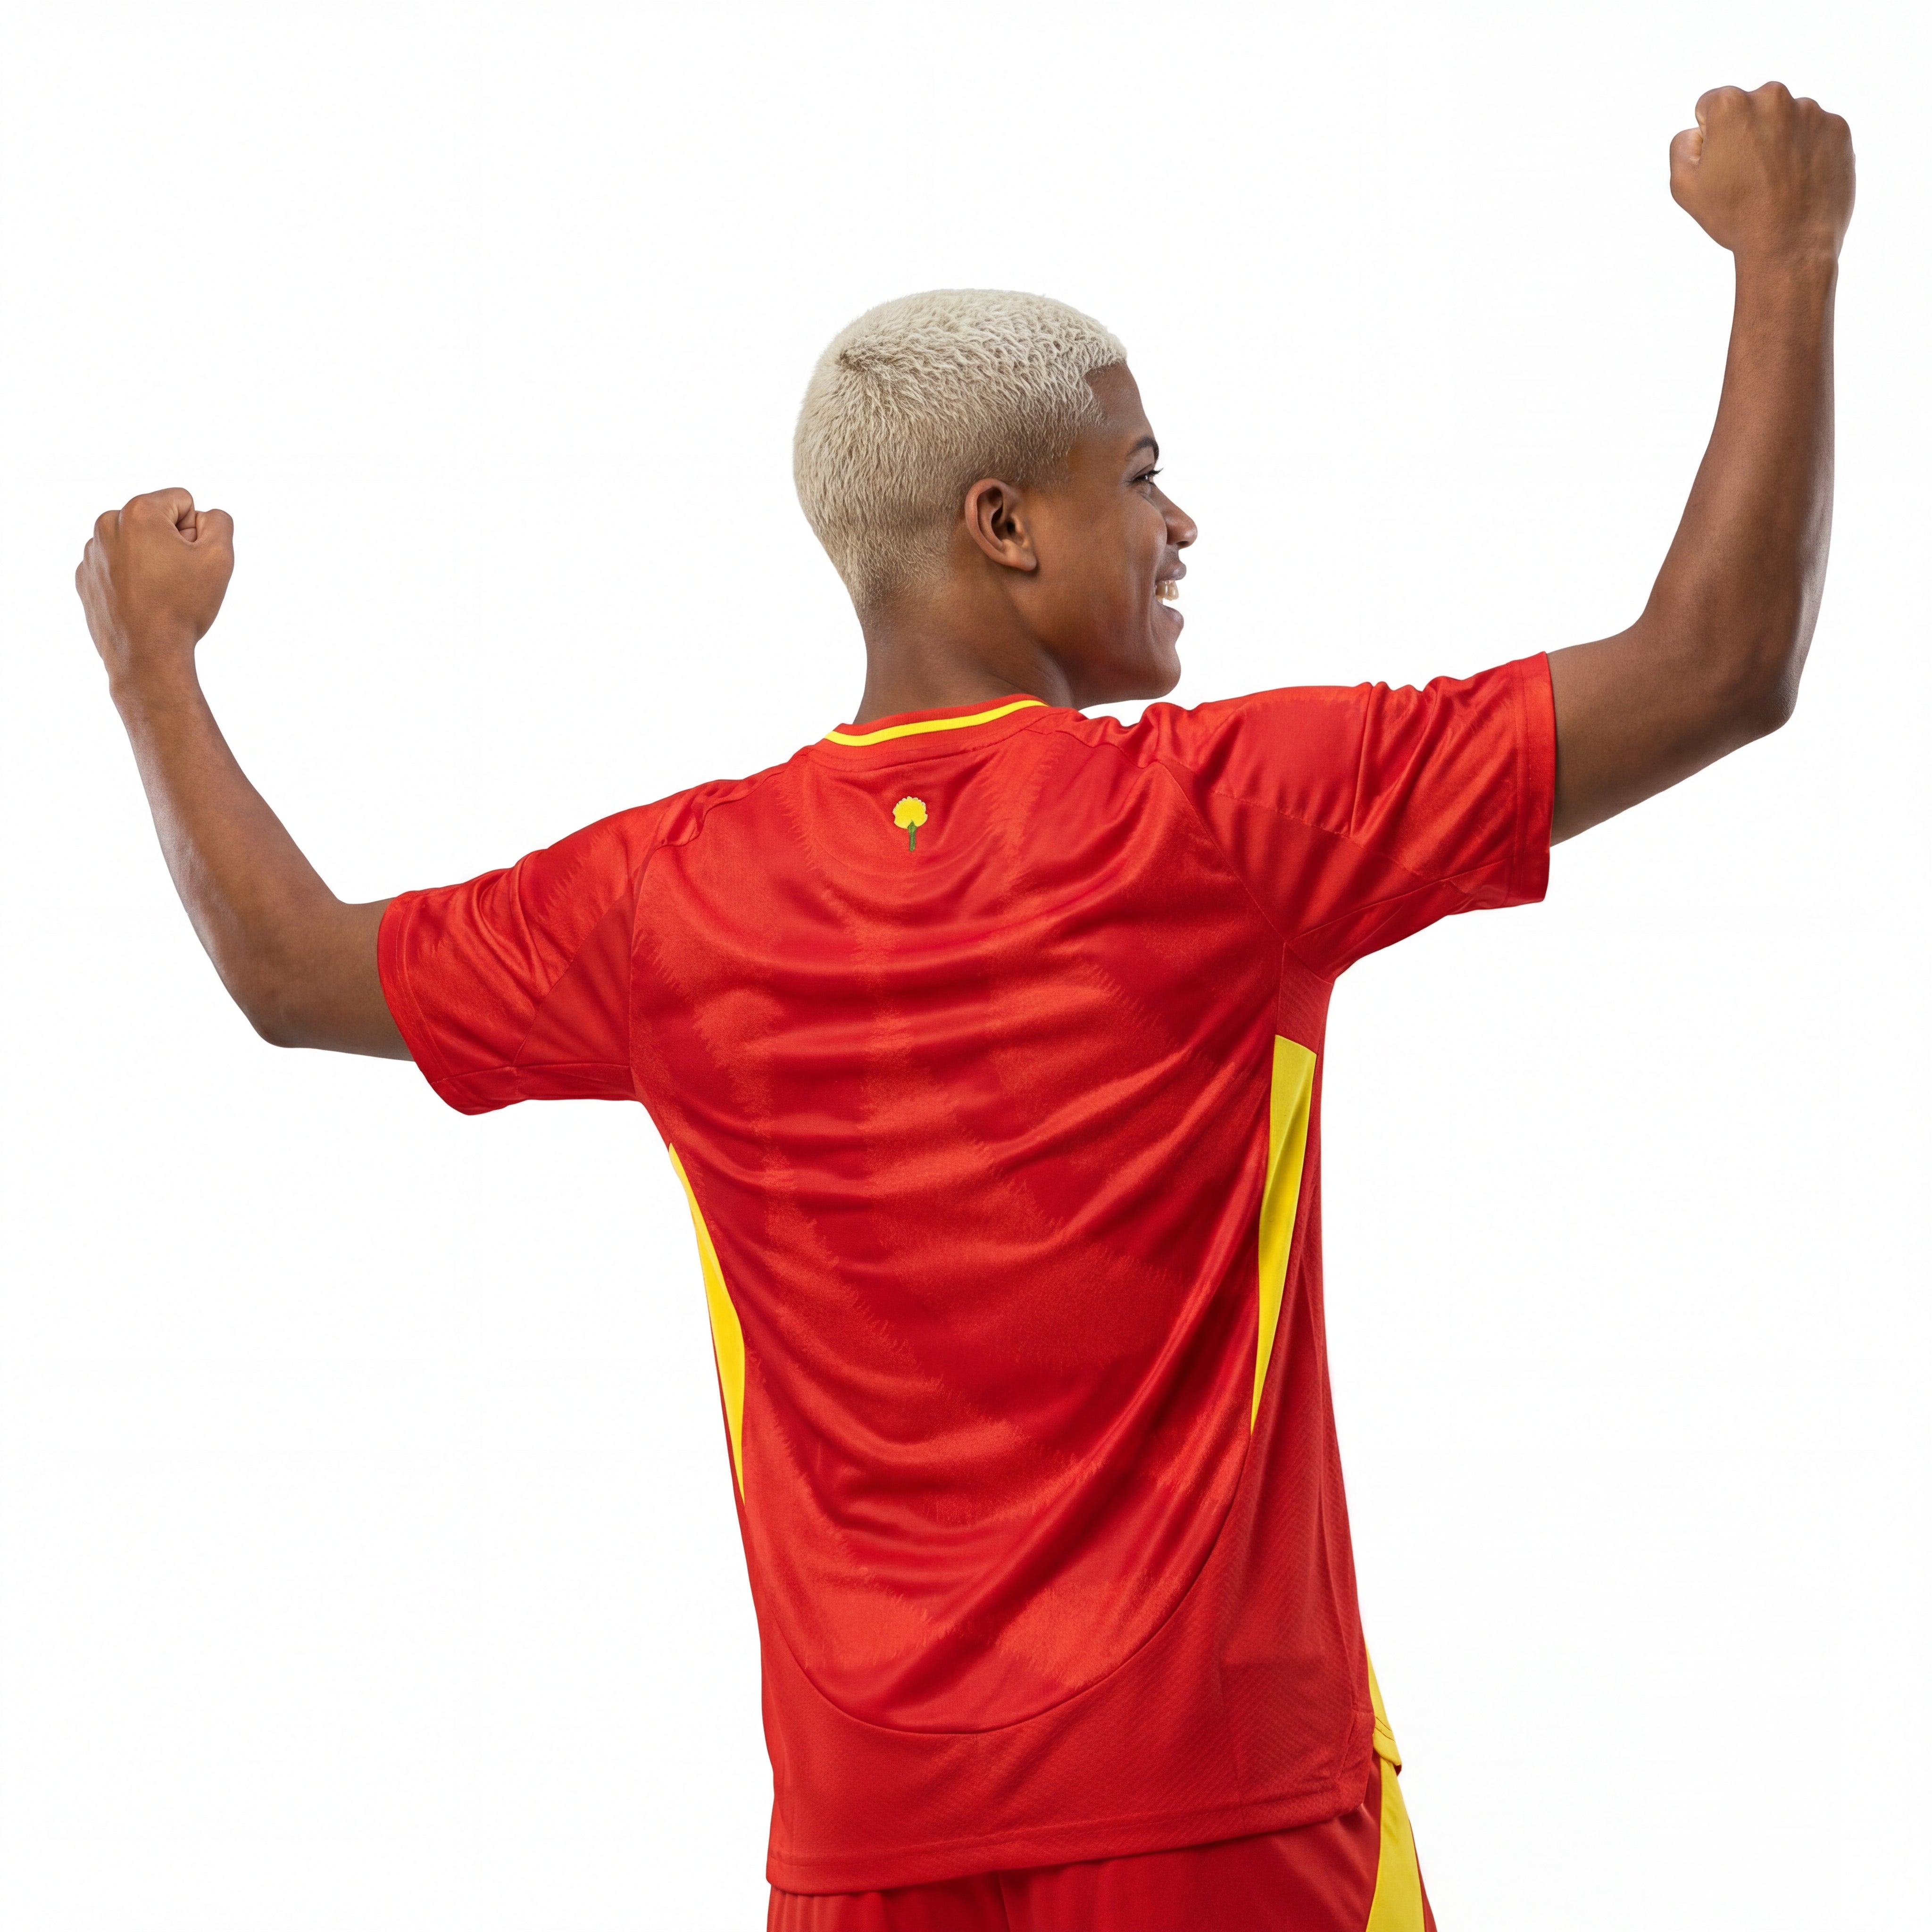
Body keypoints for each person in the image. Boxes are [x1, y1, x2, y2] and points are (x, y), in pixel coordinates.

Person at [75, 83, 1852, 1932]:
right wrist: (1788, 253)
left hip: (869, 1851)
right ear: (1002, 524)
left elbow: (293, 968)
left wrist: (149, 667)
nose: (1179, 520)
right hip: (1219, 1825)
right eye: (1138, 473)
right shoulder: (1226, 820)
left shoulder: (667, 900)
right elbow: (1715, 667)